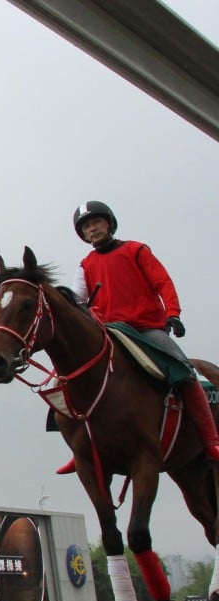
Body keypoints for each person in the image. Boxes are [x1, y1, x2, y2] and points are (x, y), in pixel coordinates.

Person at [55, 201, 219, 474]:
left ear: (109, 223)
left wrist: (173, 314)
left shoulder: (136, 250)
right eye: (85, 226)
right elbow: (77, 301)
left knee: (183, 370)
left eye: (96, 222)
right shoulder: (85, 265)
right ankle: (80, 447)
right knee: (64, 377)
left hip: (145, 329)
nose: (91, 228)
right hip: (109, 332)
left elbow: (162, 283)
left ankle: (211, 440)